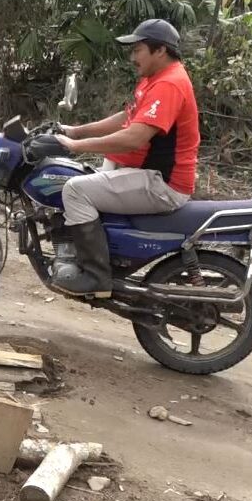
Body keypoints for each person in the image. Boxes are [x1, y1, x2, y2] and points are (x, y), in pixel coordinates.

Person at [50, 18, 200, 298]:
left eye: (138, 50)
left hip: (161, 183)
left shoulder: (170, 84)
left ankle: (96, 277)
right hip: (146, 173)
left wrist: (76, 145)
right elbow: (127, 118)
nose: (132, 57)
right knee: (81, 178)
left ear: (160, 51)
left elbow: (134, 136)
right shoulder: (154, 80)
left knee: (75, 190)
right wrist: (75, 131)